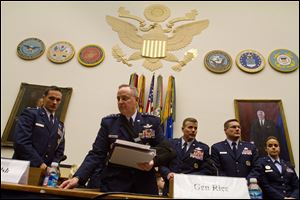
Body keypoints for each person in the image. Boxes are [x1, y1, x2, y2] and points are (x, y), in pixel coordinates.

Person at [59, 84, 175, 195]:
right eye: (118, 99)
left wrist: (153, 161)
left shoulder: (151, 122)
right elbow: (96, 154)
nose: (120, 102)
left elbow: (167, 149)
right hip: (115, 184)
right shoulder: (109, 123)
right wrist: (78, 177)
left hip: (143, 185)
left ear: (137, 100)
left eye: (125, 98)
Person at [13, 86, 65, 170]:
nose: (55, 102)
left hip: (45, 172)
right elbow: (21, 142)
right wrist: (39, 163)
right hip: (23, 167)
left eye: (58, 100)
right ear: (44, 98)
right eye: (51, 98)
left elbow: (59, 150)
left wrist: (53, 166)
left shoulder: (59, 125)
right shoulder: (31, 114)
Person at [159, 117, 212, 196]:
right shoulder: (171, 144)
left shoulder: (203, 148)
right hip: (170, 187)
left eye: (195, 128)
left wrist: (187, 177)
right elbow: (162, 164)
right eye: (190, 127)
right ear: (183, 129)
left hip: (191, 189)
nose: (193, 130)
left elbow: (206, 170)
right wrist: (168, 174)